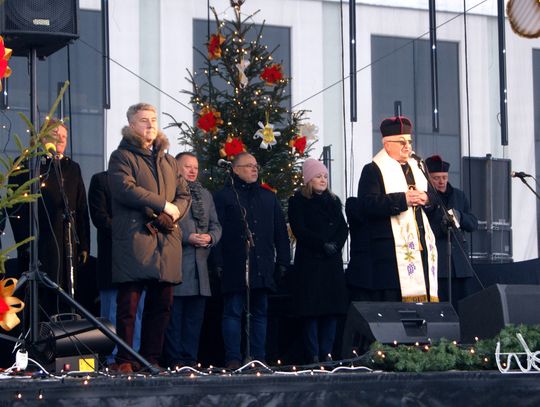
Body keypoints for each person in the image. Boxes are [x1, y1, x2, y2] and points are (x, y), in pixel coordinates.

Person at [108, 103, 191, 373]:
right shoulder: (121, 156)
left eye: (154, 119)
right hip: (136, 239)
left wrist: (173, 213)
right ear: (131, 125)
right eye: (144, 120)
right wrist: (162, 206)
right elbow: (124, 189)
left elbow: (184, 194)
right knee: (129, 306)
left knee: (162, 305)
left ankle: (151, 359)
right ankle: (124, 361)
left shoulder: (168, 160)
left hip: (166, 241)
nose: (151, 125)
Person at [212, 152, 290, 369]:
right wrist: (217, 262)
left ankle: (258, 357)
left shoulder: (268, 197)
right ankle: (233, 358)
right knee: (233, 311)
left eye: (256, 166)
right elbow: (216, 231)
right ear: (235, 169)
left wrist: (283, 261)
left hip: (262, 264)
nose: (254, 169)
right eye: (249, 165)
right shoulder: (225, 197)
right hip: (234, 264)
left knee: (259, 312)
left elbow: (280, 233)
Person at [8, 119, 90, 315]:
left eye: (64, 136)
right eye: (56, 135)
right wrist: (25, 243)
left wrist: (84, 244)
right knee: (38, 301)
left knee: (64, 298)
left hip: (66, 244)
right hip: (38, 245)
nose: (61, 140)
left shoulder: (72, 167)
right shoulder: (27, 165)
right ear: (42, 138)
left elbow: (81, 207)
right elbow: (15, 208)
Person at [356, 116, 438, 302]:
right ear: (387, 144)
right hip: (390, 253)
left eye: (409, 141)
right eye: (401, 142)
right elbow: (367, 205)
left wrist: (426, 199)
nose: (407, 146)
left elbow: (436, 201)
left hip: (422, 249)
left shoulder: (418, 167)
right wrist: (403, 199)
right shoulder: (373, 170)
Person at [163, 152, 222, 368]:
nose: (192, 170)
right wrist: (187, 238)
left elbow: (216, 225)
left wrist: (211, 237)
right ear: (177, 168)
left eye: (195, 167)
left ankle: (190, 360)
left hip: (200, 271)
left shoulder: (205, 195)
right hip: (178, 268)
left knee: (194, 322)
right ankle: (174, 362)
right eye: (187, 166)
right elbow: (164, 224)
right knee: (174, 320)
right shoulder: (170, 192)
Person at [288, 158, 348, 364]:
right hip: (311, 263)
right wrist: (322, 244)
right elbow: (300, 229)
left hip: (331, 264)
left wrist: (336, 245)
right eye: (318, 176)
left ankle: (328, 352)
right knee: (311, 312)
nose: (323, 180)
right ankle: (313, 353)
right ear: (308, 179)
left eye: (325, 176)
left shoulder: (334, 201)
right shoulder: (298, 201)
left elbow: (343, 227)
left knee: (331, 310)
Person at [88, 170, 145, 368]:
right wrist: (129, 230)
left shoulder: (142, 181)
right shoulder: (101, 179)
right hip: (112, 258)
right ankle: (112, 358)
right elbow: (99, 217)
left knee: (136, 310)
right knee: (112, 310)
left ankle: (132, 356)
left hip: (138, 257)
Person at [425, 155, 478, 307]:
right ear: (429, 178)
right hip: (438, 263)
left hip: (460, 264)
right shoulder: (426, 198)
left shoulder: (459, 195)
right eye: (436, 178)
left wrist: (460, 217)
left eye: (444, 177)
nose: (441, 182)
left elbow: (473, 223)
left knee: (463, 306)